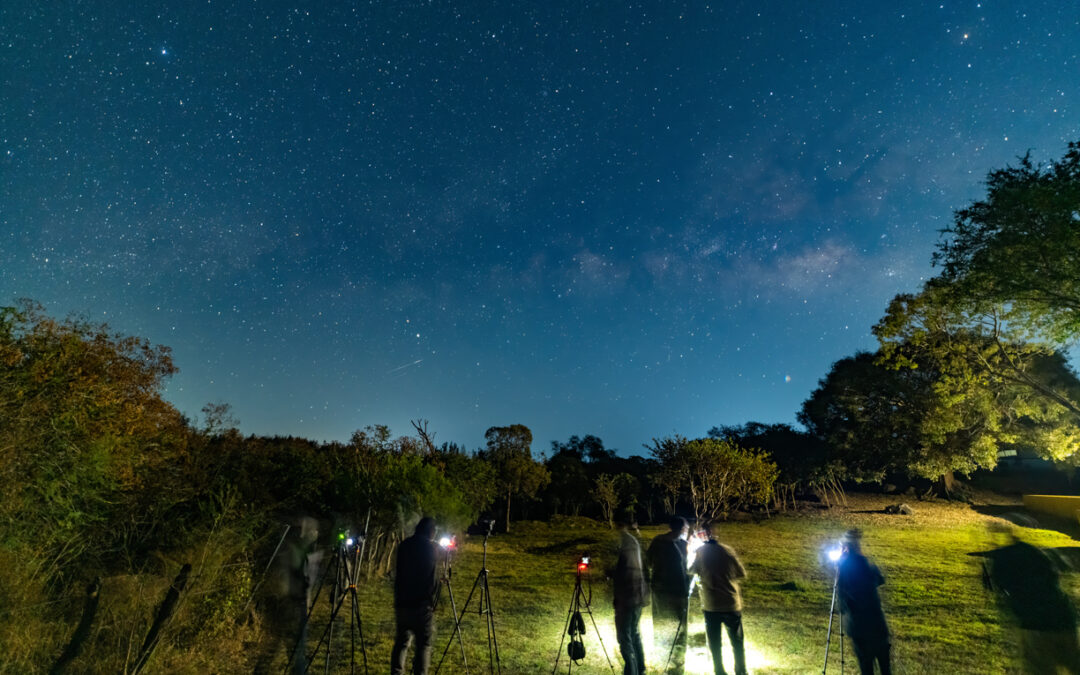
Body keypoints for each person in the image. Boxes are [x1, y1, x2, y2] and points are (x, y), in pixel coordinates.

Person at [981, 523, 1080, 673]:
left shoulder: (1001, 560)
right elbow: (1053, 574)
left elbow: (1000, 588)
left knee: (1040, 668)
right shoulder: (1035, 552)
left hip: (1035, 625)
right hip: (1065, 619)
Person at [690, 521, 748, 675]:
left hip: (711, 604)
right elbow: (741, 573)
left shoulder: (700, 552)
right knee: (737, 642)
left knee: (715, 644)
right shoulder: (727, 550)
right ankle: (741, 671)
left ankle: (719, 671)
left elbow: (691, 570)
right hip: (731, 602)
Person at [836, 529, 891, 675]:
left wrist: (839, 568)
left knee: (867, 668)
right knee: (885, 668)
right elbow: (878, 579)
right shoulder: (866, 564)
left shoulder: (844, 569)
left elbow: (842, 604)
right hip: (878, 626)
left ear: (845, 549)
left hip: (859, 629)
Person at [391, 517, 440, 675]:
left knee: (402, 642)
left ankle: (396, 672)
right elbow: (431, 579)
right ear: (431, 531)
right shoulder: (430, 549)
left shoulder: (404, 545)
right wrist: (432, 600)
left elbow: (398, 573)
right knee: (423, 645)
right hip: (421, 605)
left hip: (403, 602)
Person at [647, 516, 691, 674]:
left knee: (662, 622)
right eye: (686, 528)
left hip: (661, 589)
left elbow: (648, 562)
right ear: (683, 529)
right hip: (677, 590)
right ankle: (676, 664)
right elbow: (687, 567)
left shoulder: (657, 541)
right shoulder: (682, 544)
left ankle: (664, 659)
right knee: (680, 627)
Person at [612, 516, 648, 675]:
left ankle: (632, 671)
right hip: (638, 595)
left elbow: (622, 571)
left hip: (626, 598)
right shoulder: (633, 541)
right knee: (634, 633)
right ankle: (640, 668)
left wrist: (608, 572)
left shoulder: (623, 543)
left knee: (624, 637)